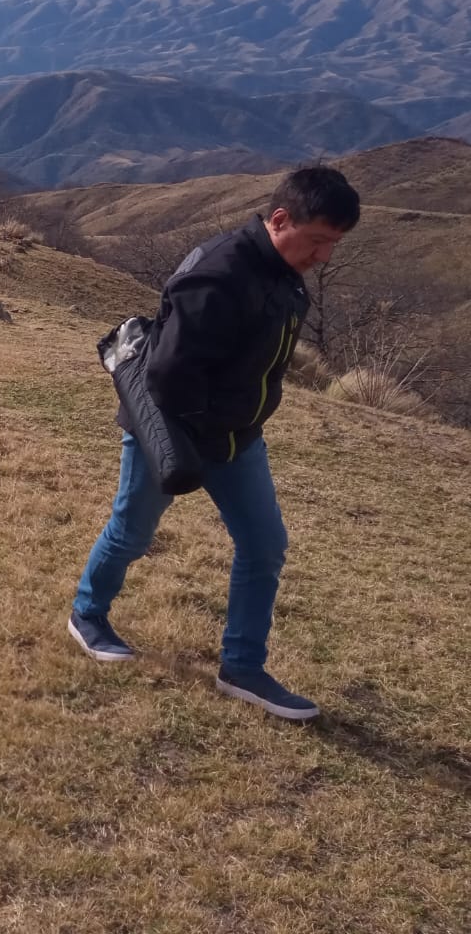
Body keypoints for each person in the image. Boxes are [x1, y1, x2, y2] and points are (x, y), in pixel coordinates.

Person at [67, 166, 361, 721]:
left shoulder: (284, 271)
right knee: (132, 531)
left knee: (265, 544)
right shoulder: (219, 273)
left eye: (334, 244)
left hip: (239, 438)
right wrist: (198, 435)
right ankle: (88, 614)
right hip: (174, 435)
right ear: (280, 220)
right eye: (319, 240)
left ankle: (242, 667)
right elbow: (168, 375)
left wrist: (237, 424)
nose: (324, 256)